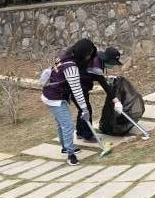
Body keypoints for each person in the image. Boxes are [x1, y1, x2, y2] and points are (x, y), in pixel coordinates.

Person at [41, 38, 97, 166]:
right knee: (68, 125)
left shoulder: (64, 56)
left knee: (62, 124)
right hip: (55, 98)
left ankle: (65, 147)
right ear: (83, 53)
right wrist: (84, 108)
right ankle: (71, 155)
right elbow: (77, 90)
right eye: (88, 54)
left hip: (50, 94)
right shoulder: (71, 67)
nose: (89, 57)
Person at [74, 46, 124, 140]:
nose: (113, 65)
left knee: (82, 108)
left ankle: (80, 132)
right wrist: (116, 100)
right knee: (86, 109)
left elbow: (98, 76)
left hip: (81, 85)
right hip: (76, 86)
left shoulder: (98, 60)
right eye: (112, 63)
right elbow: (104, 85)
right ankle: (88, 135)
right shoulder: (96, 64)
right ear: (108, 59)